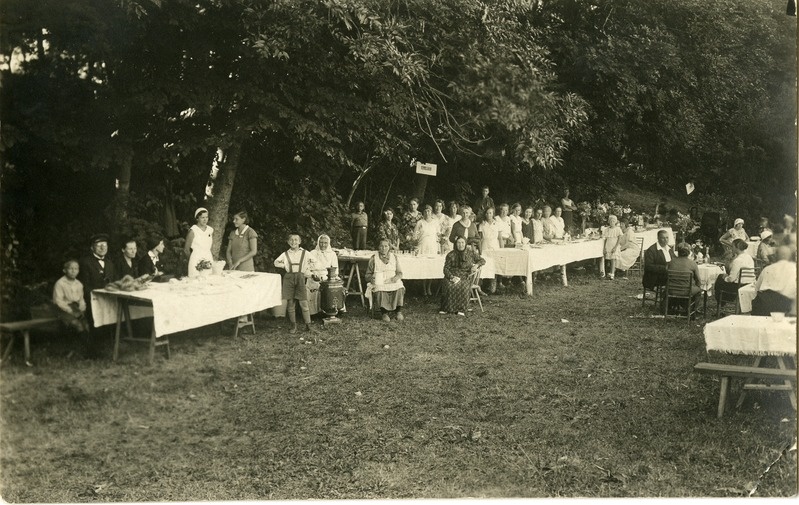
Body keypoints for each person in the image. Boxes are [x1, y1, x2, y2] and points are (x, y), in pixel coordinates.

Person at [77, 233, 117, 357]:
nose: (102, 247)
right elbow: (84, 285)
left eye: (104, 245)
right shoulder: (85, 262)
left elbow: (114, 282)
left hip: (108, 299)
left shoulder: (110, 263)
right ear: (92, 248)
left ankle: (109, 347)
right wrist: (96, 296)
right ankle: (93, 351)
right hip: (91, 300)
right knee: (94, 324)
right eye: (99, 245)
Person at [274, 233, 314, 334]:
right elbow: (276, 262)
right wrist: (285, 266)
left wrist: (307, 269)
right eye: (291, 240)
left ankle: (308, 325)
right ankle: (293, 325)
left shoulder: (305, 253)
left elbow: (314, 261)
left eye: (296, 240)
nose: (293, 242)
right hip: (289, 278)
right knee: (290, 302)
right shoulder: (285, 254)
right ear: (288, 242)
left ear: (300, 242)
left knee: (303, 302)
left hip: (300, 277)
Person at [439, 236, 485, 316]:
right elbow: (446, 269)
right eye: (458, 243)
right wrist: (451, 277)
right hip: (452, 275)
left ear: (465, 243)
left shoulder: (471, 253)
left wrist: (476, 265)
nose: (461, 245)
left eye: (462, 242)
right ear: (456, 244)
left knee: (463, 286)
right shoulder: (451, 254)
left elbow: (482, 260)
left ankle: (461, 309)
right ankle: (446, 308)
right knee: (449, 285)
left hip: (465, 275)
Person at [365, 239, 406, 322]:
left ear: (389, 247)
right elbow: (367, 275)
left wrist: (395, 278)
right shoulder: (374, 258)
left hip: (391, 280)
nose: (383, 248)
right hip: (380, 281)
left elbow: (399, 273)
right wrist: (372, 279)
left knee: (400, 287)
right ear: (378, 247)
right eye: (381, 246)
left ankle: (398, 311)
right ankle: (384, 312)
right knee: (379, 289)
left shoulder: (394, 257)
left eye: (386, 246)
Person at [751, 246, 797, 316]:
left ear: (776, 256)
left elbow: (757, 288)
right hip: (784, 304)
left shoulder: (767, 268)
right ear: (790, 256)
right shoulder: (794, 268)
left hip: (763, 303)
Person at [53, 259, 90, 339]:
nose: (73, 271)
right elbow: (58, 301)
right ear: (64, 270)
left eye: (76, 269)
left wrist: (82, 307)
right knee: (78, 325)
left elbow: (81, 299)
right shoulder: (60, 283)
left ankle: (87, 344)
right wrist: (70, 310)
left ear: (78, 271)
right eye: (70, 268)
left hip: (76, 308)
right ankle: (81, 344)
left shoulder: (79, 284)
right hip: (63, 309)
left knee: (86, 325)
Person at [307, 234, 343, 316]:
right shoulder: (312, 253)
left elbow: (335, 269)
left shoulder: (332, 254)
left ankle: (332, 308)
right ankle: (314, 312)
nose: (323, 245)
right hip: (314, 275)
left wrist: (331, 277)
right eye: (321, 242)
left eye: (325, 243)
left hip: (327, 275)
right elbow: (307, 268)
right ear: (318, 242)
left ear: (328, 243)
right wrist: (312, 275)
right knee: (313, 284)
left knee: (332, 285)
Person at [713, 239, 755, 303]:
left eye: (732, 246)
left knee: (720, 278)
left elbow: (731, 279)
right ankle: (722, 301)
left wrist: (725, 278)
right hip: (749, 284)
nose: (731, 248)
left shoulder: (737, 260)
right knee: (722, 278)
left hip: (739, 286)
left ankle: (720, 302)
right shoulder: (749, 257)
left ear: (737, 247)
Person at [666, 242, 703, 307]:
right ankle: (691, 309)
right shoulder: (692, 263)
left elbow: (666, 276)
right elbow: (698, 281)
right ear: (689, 252)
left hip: (671, 290)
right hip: (686, 291)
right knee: (698, 291)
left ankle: (673, 305)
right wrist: (696, 285)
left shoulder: (671, 262)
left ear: (678, 252)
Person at [415, 204, 440, 296]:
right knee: (423, 267)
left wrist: (439, 246)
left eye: (429, 211)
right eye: (425, 211)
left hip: (432, 247)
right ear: (423, 213)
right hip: (422, 246)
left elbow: (438, 235)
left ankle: (429, 287)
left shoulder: (435, 222)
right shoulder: (420, 223)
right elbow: (415, 235)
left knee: (431, 267)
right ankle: (424, 288)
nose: (427, 213)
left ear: (431, 212)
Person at [184, 207, 214, 277]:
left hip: (208, 258)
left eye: (206, 217)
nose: (205, 219)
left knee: (209, 279)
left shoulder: (210, 230)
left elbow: (209, 245)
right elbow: (186, 249)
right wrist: (193, 260)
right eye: (202, 217)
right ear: (197, 218)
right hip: (196, 259)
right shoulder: (193, 230)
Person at [599, 215, 622, 279]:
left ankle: (612, 274)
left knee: (613, 259)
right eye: (611, 221)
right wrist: (604, 248)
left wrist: (615, 247)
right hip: (608, 245)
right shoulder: (607, 230)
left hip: (614, 245)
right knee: (609, 259)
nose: (612, 223)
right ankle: (607, 272)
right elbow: (605, 239)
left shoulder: (618, 229)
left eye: (613, 221)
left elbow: (619, 238)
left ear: (615, 222)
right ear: (609, 222)